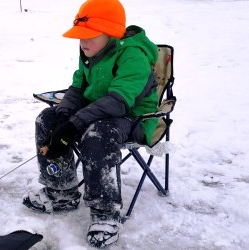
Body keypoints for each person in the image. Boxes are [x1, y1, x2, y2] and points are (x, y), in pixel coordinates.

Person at [22, 0, 159, 247]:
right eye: (80, 37)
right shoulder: (90, 52)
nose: (83, 42)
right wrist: (65, 115)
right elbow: (77, 87)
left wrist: (76, 123)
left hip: (133, 116)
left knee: (97, 133)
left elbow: (119, 101)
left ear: (112, 34)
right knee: (47, 118)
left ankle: (105, 212)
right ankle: (61, 191)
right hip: (98, 109)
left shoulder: (133, 56)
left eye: (90, 36)